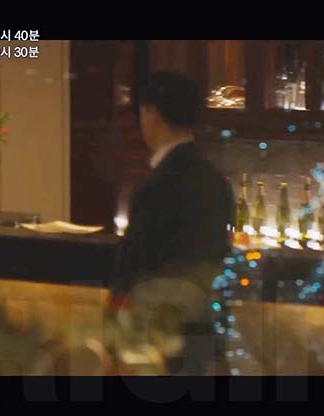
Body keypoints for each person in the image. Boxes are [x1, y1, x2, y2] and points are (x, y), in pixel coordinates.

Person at [110, 71, 234, 375]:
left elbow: (134, 268)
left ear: (152, 114)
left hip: (159, 340)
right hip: (203, 334)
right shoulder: (217, 181)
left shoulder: (155, 187)